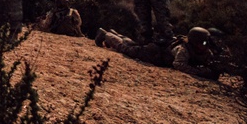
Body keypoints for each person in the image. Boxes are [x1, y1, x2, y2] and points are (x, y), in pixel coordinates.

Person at [95, 26, 238, 80]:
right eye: (203, 43)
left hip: (156, 52)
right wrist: (200, 72)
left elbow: (210, 62)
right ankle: (106, 35)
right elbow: (178, 64)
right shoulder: (183, 49)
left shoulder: (202, 49)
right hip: (155, 54)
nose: (205, 47)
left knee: (132, 45)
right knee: (128, 50)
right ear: (195, 42)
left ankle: (115, 34)